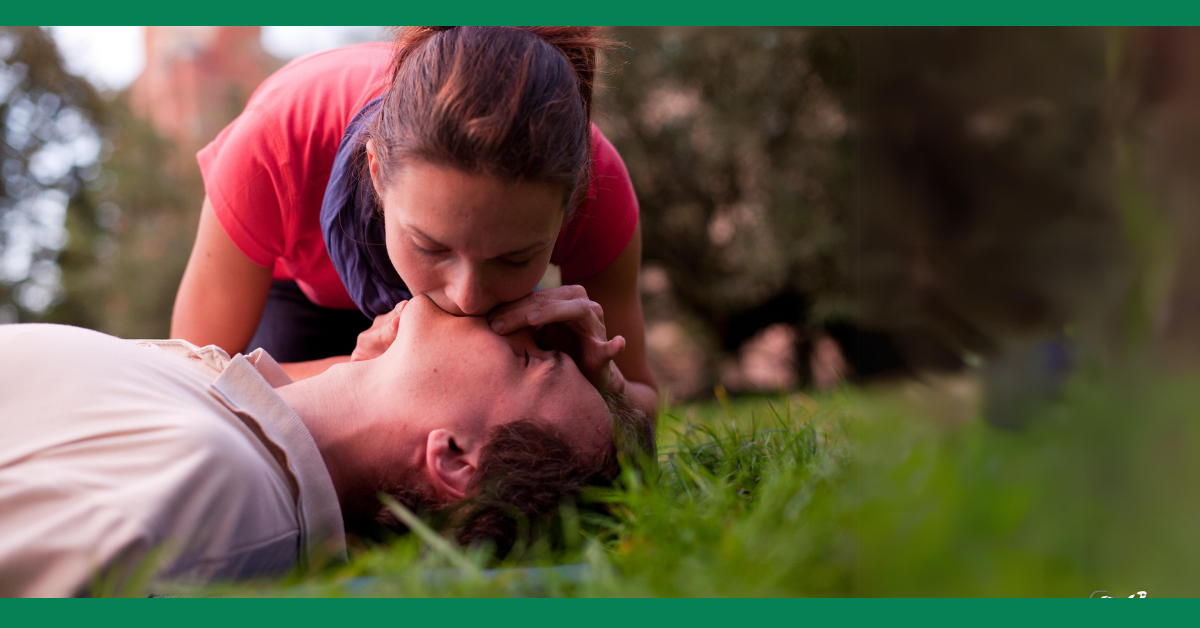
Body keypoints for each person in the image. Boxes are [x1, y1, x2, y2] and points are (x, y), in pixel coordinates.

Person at [0, 295, 653, 597]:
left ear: (453, 457)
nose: (520, 310)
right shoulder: (225, 406)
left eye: (533, 360)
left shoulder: (208, 483)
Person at [171, 26, 659, 417]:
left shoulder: (598, 182)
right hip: (299, 300)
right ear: (377, 173)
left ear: (572, 204)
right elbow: (184, 377)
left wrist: (602, 384)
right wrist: (361, 370)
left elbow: (645, 403)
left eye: (514, 259)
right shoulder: (277, 141)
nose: (467, 297)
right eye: (430, 246)